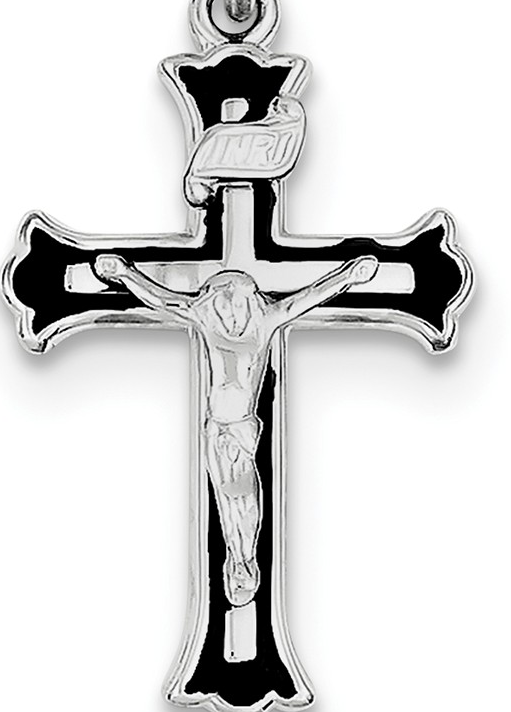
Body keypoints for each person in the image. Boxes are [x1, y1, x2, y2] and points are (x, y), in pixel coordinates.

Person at [94, 253, 379, 606]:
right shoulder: (203, 318)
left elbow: (310, 296)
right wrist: (124, 274)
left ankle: (245, 558)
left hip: (242, 429)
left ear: (250, 301)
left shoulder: (268, 319)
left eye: (237, 304)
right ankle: (237, 558)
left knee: (243, 499)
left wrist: (349, 276)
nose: (230, 314)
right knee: (226, 500)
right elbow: (161, 299)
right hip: (217, 428)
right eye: (223, 304)